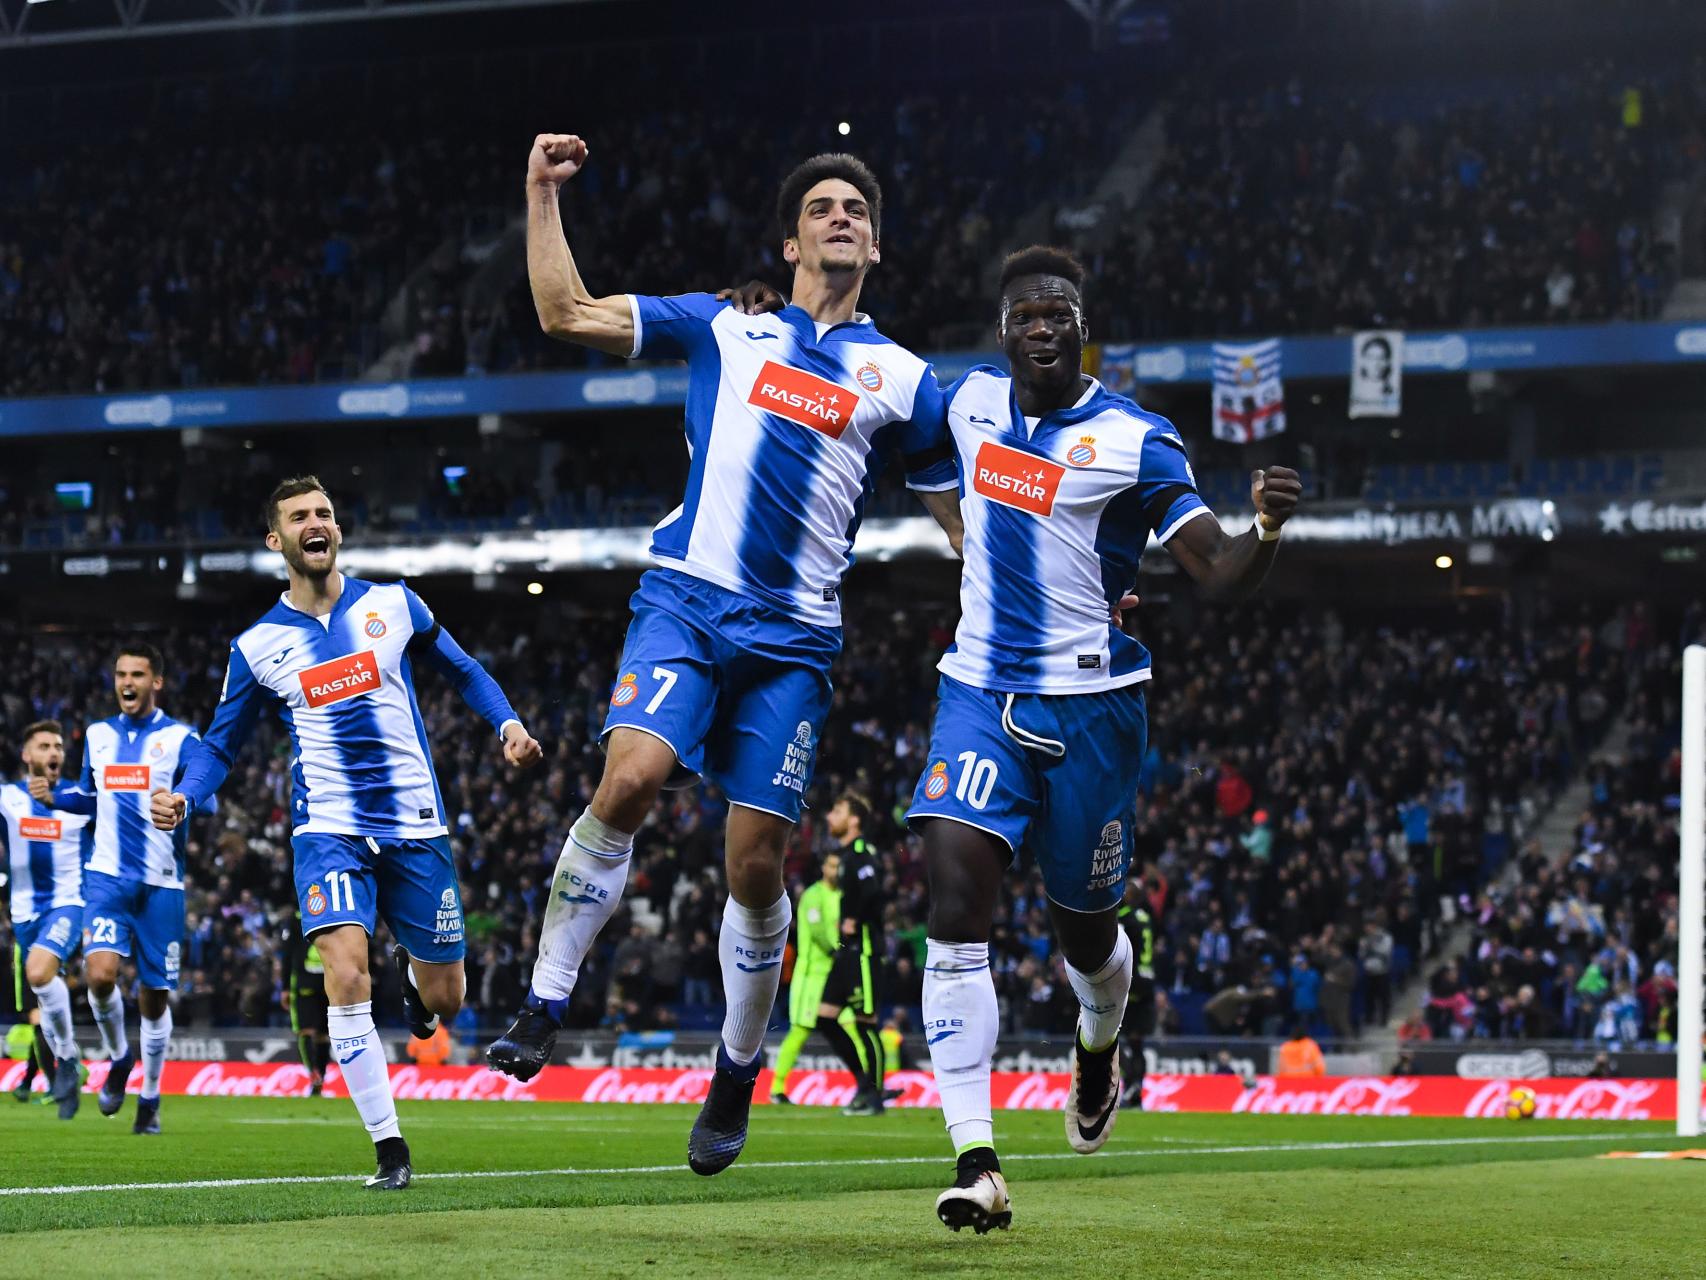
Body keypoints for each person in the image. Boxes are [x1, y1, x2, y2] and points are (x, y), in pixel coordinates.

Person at [484, 133, 961, 1178]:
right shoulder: (724, 324)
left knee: (753, 860)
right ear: (790, 237)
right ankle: (543, 998)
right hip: (688, 604)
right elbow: (565, 312)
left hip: (793, 642)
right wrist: (539, 196)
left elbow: (956, 522)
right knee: (630, 777)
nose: (842, 217)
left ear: (873, 248)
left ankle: (738, 1067)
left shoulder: (904, 378)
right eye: (823, 206)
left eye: (857, 210)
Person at [901, 247, 1301, 1233]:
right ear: (1003, 331)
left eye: (1060, 313)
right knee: (953, 901)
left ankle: (1096, 1041)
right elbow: (892, 434)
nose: (1042, 325)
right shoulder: (963, 406)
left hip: (1093, 706)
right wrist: (968, 545)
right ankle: (975, 1158)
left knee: (1084, 929)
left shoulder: (1134, 437)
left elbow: (1211, 568)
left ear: (1082, 330)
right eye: (1026, 312)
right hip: (977, 687)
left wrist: (1264, 529)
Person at [151, 475, 542, 1190]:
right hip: (326, 826)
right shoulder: (258, 645)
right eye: (298, 516)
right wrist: (186, 796)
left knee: (449, 997)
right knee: (344, 974)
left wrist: (508, 723)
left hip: (416, 823)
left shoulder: (396, 603)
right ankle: (389, 1147)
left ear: (338, 529)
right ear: (277, 541)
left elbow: (463, 669)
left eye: (324, 512)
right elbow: (219, 745)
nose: (314, 523)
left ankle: (415, 986)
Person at [48, 644, 207, 1135]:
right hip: (106, 877)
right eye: (120, 674)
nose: (127, 682)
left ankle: (151, 1096)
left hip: (162, 885)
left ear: (156, 681)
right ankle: (119, 1058)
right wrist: (50, 795)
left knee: (155, 999)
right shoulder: (96, 735)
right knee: (98, 975)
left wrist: (182, 803)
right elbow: (87, 797)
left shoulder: (181, 738)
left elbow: (204, 791)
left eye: (137, 674)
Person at [5, 720, 93, 1119]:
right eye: (43, 746)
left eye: (57, 745)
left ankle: (67, 1063)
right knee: (43, 991)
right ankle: (68, 1060)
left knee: (38, 973)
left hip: (68, 904)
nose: (53, 752)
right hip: (24, 913)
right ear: (27, 756)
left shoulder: (79, 798)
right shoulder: (9, 798)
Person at [816, 793, 890, 1116]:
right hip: (847, 954)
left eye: (837, 810)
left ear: (854, 820)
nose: (830, 816)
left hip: (864, 950)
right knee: (825, 1018)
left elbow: (874, 889)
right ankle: (863, 1084)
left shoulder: (862, 852)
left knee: (865, 1024)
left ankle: (875, 1095)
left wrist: (853, 918)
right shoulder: (844, 855)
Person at [769, 850, 843, 1105]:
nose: (836, 871)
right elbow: (820, 931)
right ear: (824, 867)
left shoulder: (841, 895)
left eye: (839, 866)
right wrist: (839, 951)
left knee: (851, 1027)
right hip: (812, 975)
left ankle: (870, 1087)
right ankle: (777, 1088)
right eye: (832, 865)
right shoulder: (813, 895)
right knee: (800, 1031)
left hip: (836, 974)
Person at [1116, 881, 1157, 1109]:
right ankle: (1136, 1089)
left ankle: (1130, 1084)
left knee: (1117, 1038)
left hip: (1131, 981)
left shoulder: (1122, 918)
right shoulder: (1144, 917)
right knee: (1137, 1041)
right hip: (1148, 980)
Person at [282, 909, 331, 1096]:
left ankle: (320, 1077)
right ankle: (314, 1075)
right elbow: (287, 953)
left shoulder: (331, 912)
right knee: (307, 1031)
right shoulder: (295, 919)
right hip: (305, 984)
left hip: (326, 982)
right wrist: (285, 986)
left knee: (322, 1035)